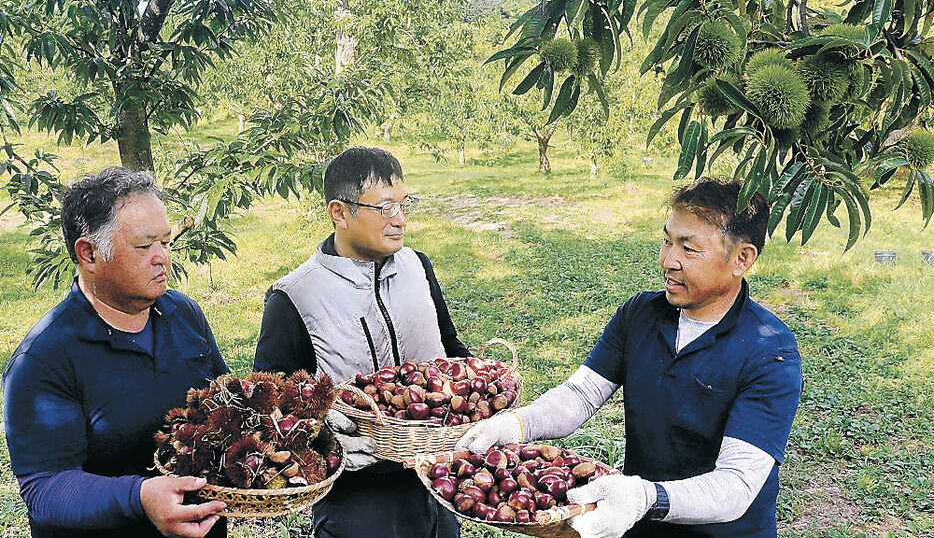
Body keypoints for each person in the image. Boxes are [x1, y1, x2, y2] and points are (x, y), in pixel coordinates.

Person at [458, 177, 803, 538]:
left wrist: (644, 497)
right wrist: (517, 424)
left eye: (689, 249)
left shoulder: (769, 352)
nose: (668, 260)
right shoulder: (641, 314)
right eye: (667, 240)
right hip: (639, 523)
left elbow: (735, 486)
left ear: (741, 258)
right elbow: (581, 395)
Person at [253, 145, 470, 538]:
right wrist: (324, 438)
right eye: (386, 208)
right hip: (358, 496)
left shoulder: (417, 267)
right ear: (340, 212)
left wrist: (478, 389)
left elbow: (451, 348)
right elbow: (271, 404)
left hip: (437, 473)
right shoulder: (295, 297)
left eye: (406, 204)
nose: (400, 220)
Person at [3, 167, 229, 538]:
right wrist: (138, 497)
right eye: (144, 246)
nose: (162, 258)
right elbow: (43, 488)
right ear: (89, 253)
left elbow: (223, 401)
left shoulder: (183, 314)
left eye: (167, 242)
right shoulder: (44, 360)